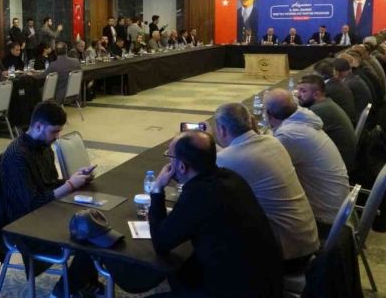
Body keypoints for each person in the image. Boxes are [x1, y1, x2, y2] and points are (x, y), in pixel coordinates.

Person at [149, 131, 282, 297]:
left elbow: (161, 242)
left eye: (170, 157)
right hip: (267, 281)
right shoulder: (231, 177)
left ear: (182, 166)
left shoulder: (200, 194)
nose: (169, 163)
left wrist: (157, 188)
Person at [0, 101, 100, 297]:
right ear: (38, 126)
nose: (57, 137)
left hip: (47, 212)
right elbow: (31, 206)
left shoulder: (43, 146)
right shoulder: (16, 157)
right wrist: (70, 185)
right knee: (90, 234)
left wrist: (74, 179)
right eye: (54, 132)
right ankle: (63, 290)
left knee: (95, 219)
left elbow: (50, 184)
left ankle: (84, 283)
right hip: (26, 226)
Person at [213, 103, 319, 272]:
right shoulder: (272, 142)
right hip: (306, 239)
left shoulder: (228, 159)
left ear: (222, 130)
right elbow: (237, 154)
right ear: (251, 122)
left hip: (286, 254)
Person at [264, 89, 349, 226]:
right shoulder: (303, 121)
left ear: (268, 114)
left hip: (324, 219)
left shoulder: (289, 135)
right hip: (337, 207)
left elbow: (265, 171)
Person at [296, 75, 357, 174]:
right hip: (342, 160)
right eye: (297, 90)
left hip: (338, 167)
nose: (298, 95)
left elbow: (297, 133)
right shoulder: (326, 103)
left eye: (303, 91)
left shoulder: (319, 110)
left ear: (317, 94)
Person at [313, 59, 357, 123]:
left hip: (342, 123)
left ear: (321, 75)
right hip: (348, 120)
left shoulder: (328, 89)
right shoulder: (335, 83)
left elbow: (315, 107)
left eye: (314, 74)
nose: (313, 76)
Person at [333, 57, 373, 122]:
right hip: (367, 115)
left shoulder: (347, 84)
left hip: (358, 118)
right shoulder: (354, 78)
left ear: (337, 72)